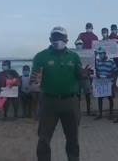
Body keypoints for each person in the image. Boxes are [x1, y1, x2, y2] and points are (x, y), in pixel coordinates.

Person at [33, 26, 85, 161]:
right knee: (44, 139)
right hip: (48, 103)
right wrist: (36, 78)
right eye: (55, 37)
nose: (58, 40)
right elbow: (35, 76)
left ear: (67, 39)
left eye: (61, 37)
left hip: (70, 102)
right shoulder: (40, 56)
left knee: (73, 138)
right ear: (50, 39)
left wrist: (83, 75)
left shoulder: (74, 56)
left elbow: (80, 74)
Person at [94, 47, 118, 120]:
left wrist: (111, 76)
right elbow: (97, 70)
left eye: (101, 53)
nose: (100, 55)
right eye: (99, 53)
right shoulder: (98, 61)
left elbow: (116, 71)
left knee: (110, 98)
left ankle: (111, 114)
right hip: (101, 83)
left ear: (105, 53)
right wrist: (97, 73)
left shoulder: (111, 61)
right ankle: (100, 114)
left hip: (109, 83)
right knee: (100, 98)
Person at [74, 40, 96, 117]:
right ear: (75, 45)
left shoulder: (89, 53)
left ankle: (89, 111)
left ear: (83, 45)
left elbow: (92, 65)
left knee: (88, 95)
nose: (79, 45)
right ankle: (77, 112)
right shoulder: (73, 54)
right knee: (77, 96)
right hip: (77, 78)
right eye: (78, 44)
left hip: (86, 77)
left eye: (80, 44)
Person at [109, 24, 118, 89]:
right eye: (112, 29)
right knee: (109, 71)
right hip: (109, 57)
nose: (113, 30)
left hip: (117, 56)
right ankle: (109, 85)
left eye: (114, 29)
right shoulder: (108, 37)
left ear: (117, 30)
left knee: (116, 71)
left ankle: (114, 85)